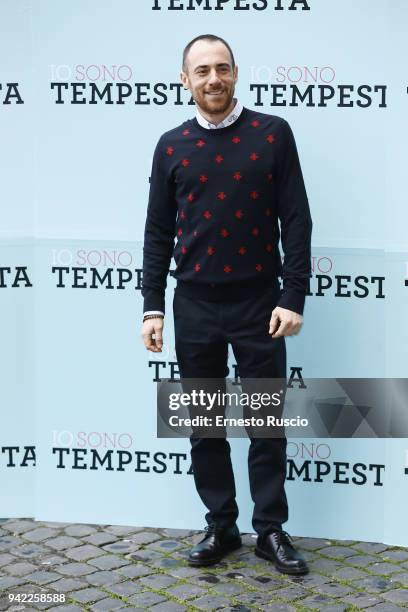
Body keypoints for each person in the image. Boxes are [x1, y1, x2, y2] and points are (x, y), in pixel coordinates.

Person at [141, 34, 312, 575]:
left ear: (236, 73)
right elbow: (157, 231)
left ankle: (270, 531)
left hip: (260, 303)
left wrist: (293, 294)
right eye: (201, 71)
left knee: (267, 423)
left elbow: (297, 219)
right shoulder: (171, 144)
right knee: (204, 424)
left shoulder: (272, 133)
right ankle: (221, 524)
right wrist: (152, 306)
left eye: (222, 69)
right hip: (192, 303)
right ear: (184, 81)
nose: (212, 79)